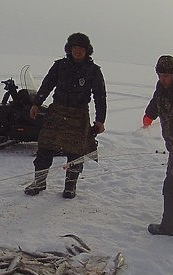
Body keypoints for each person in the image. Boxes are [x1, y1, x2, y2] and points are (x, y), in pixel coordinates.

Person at [25, 32, 107, 198]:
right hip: (57, 112)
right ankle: (39, 182)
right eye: (74, 47)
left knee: (75, 153)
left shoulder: (93, 71)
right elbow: (47, 84)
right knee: (45, 148)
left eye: (80, 48)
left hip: (79, 115)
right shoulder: (60, 66)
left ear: (87, 50)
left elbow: (100, 95)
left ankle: (70, 187)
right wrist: (36, 104)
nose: (77, 51)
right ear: (70, 49)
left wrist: (100, 120)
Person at [142, 55, 173, 237]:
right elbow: (156, 101)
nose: (163, 79)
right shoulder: (161, 87)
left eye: (166, 75)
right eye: (160, 75)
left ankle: (170, 227)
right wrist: (149, 115)